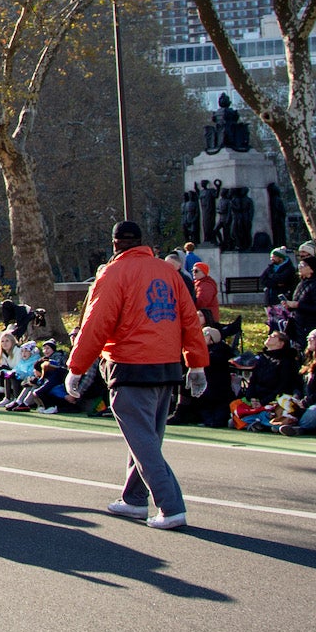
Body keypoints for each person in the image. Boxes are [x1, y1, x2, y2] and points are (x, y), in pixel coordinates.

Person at [65, 221, 207, 529]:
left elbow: (97, 325)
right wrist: (195, 363)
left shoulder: (113, 273)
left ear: (115, 244)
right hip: (167, 365)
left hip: (130, 364)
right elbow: (189, 320)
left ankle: (170, 505)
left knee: (142, 441)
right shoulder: (169, 272)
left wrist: (77, 366)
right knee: (147, 437)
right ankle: (134, 499)